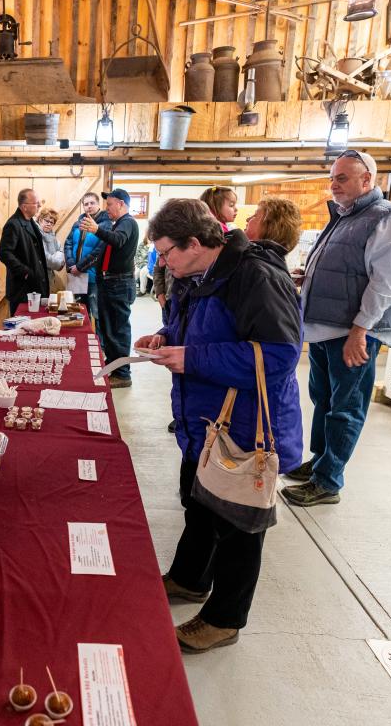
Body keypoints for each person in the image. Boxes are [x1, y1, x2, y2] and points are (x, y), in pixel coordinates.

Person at [137, 198, 303, 654]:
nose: (163, 261)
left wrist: (191, 358)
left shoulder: (254, 276)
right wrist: (166, 339)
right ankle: (190, 578)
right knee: (199, 501)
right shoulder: (197, 276)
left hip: (244, 426)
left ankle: (225, 619)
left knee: (238, 525)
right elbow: (199, 330)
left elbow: (280, 356)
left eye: (167, 252)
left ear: (195, 242)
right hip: (206, 420)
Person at [283, 150, 391, 507]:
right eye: (332, 178)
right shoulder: (346, 216)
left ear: (367, 180)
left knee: (345, 407)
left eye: (342, 178)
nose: (333, 185)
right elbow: (348, 269)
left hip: (351, 334)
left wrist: (361, 331)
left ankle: (328, 481)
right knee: (324, 400)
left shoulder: (386, 219)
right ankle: (319, 463)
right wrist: (310, 277)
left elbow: (386, 282)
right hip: (328, 330)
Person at [79, 188, 140, 388]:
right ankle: (114, 365)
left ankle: (123, 373)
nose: (107, 209)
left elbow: (119, 241)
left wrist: (97, 230)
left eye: (110, 204)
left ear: (121, 203)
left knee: (118, 329)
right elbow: (105, 250)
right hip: (110, 282)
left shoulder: (128, 223)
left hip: (119, 283)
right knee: (108, 328)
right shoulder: (117, 224)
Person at [0, 188, 49, 315]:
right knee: (22, 330)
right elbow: (4, 253)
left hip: (35, 288)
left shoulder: (31, 222)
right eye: (36, 203)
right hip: (22, 290)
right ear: (25, 207)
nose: (39, 205)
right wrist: (24, 272)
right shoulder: (13, 224)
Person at [66, 192, 105, 322]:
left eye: (92, 203)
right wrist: (71, 264)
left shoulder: (105, 224)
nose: (89, 206)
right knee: (78, 313)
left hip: (94, 276)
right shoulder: (78, 223)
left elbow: (100, 251)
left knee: (97, 314)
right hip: (76, 275)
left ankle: (100, 342)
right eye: (86, 204)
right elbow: (68, 243)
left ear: (98, 204)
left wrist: (80, 267)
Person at [37, 207, 66, 294]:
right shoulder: (36, 234)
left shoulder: (52, 236)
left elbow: (60, 251)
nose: (49, 224)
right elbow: (44, 257)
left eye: (52, 222)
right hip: (38, 277)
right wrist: (58, 264)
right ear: (40, 220)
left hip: (49, 278)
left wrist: (58, 257)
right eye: (46, 221)